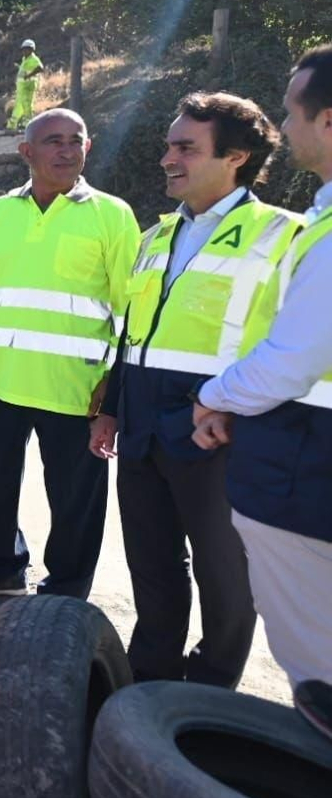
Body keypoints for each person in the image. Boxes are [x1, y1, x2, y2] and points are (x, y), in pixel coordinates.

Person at [90, 93, 294, 688]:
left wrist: (239, 411)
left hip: (218, 429)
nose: (167, 159)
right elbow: (135, 335)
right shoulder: (156, 236)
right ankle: (150, 680)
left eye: (186, 147)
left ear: (236, 156)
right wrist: (111, 411)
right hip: (144, 425)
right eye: (168, 146)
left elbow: (291, 345)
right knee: (152, 567)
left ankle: (210, 692)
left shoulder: (280, 236)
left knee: (224, 573)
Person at [192, 45, 332, 734]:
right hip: (297, 447)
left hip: (306, 462)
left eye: (290, 109)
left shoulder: (314, 233)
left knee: (319, 662)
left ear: (329, 121)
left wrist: (217, 393)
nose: (285, 123)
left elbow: (294, 357)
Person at [0, 108, 140, 600]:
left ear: (88, 148)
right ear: (26, 152)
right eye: (53, 140)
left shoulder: (112, 215)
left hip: (77, 390)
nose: (66, 149)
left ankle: (67, 586)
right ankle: (2, 568)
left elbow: (130, 310)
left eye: (76, 139)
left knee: (75, 497)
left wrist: (113, 384)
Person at [7, 39, 44, 133]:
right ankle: (12, 124)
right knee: (18, 105)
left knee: (27, 104)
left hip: (28, 86)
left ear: (31, 49)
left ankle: (28, 123)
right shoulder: (25, 59)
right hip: (22, 87)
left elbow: (40, 68)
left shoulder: (33, 59)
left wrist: (28, 76)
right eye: (23, 49)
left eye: (26, 49)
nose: (24, 51)